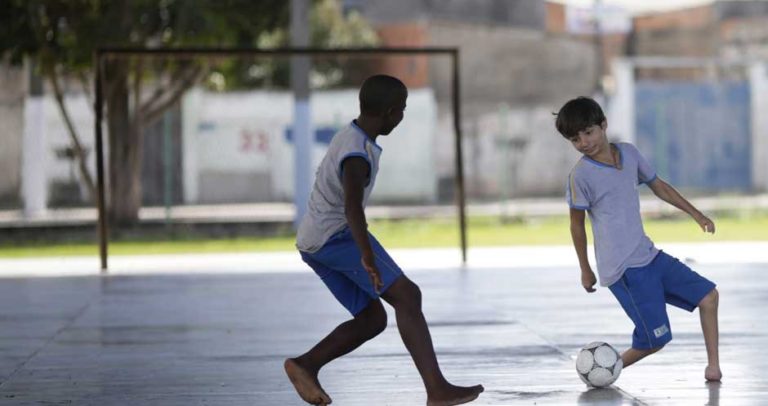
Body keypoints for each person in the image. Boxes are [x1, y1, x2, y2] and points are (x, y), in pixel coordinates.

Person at [285, 74, 484, 406]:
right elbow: (351, 207)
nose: (402, 117)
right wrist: (366, 255)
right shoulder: (357, 154)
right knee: (408, 296)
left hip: (313, 242)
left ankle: (305, 365)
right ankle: (437, 390)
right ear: (391, 112)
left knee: (372, 319)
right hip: (336, 237)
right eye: (402, 110)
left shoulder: (351, 136)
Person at [554, 96, 722, 382]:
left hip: (650, 256)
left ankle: (713, 367)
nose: (584, 142)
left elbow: (659, 187)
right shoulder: (580, 176)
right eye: (575, 139)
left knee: (709, 297)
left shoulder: (629, 154)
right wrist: (585, 268)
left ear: (604, 125)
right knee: (654, 340)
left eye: (588, 132)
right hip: (624, 269)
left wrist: (697, 214)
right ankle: (602, 371)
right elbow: (576, 225)